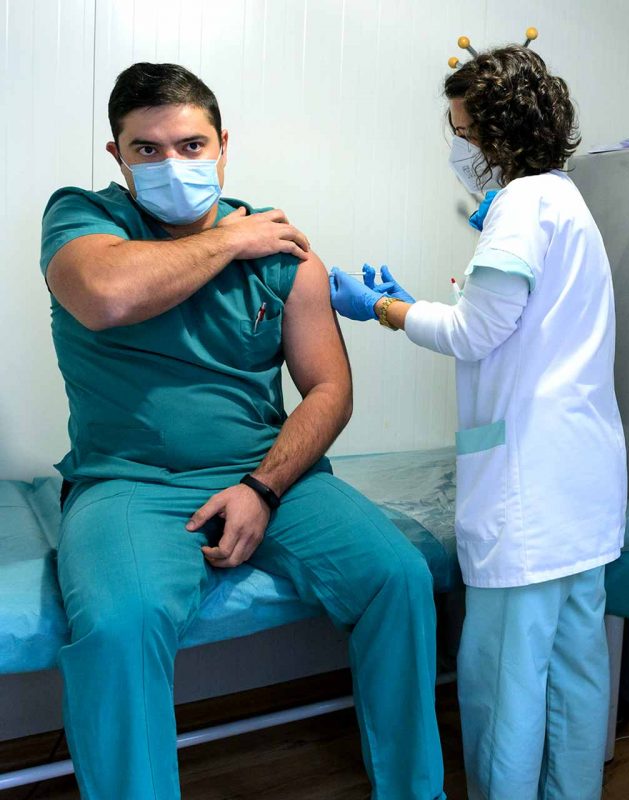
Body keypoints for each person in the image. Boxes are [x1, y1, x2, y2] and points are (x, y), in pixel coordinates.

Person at [40, 62, 443, 800]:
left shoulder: (287, 257)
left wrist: (262, 486)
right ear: (116, 156)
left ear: (224, 144)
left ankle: (414, 790)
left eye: (191, 146)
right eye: (147, 150)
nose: (173, 165)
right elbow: (103, 295)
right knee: (122, 624)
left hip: (270, 474)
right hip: (127, 481)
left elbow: (330, 388)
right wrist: (230, 241)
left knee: (400, 576)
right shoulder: (82, 220)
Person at [329, 45, 627, 800]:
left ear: (497, 132)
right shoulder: (566, 201)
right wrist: (433, 302)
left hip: (531, 490)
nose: (457, 148)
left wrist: (387, 311)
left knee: (503, 683)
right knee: (575, 672)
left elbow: (474, 333)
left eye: (461, 129)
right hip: (583, 485)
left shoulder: (524, 206)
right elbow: (506, 322)